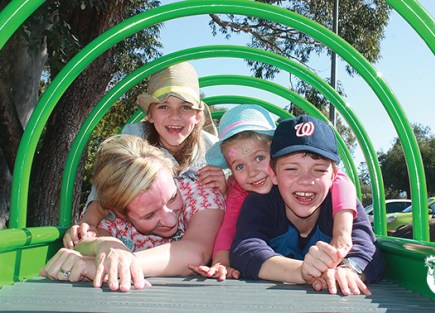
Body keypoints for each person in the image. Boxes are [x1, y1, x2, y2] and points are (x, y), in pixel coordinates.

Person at [63, 62, 227, 249]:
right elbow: (109, 189)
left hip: (199, 236)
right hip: (145, 241)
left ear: (198, 116)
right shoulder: (135, 138)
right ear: (149, 114)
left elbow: (237, 200)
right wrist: (88, 222)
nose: (175, 116)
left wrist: (226, 188)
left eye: (186, 107)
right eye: (164, 107)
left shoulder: (213, 148)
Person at [189, 105, 357, 282]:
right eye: (239, 166)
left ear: (277, 154)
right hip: (273, 265)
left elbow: (341, 180)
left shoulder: (298, 181)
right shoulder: (239, 191)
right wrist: (221, 262)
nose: (252, 172)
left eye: (260, 158)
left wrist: (342, 235)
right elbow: (229, 227)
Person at [41, 134, 225, 292]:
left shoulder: (201, 193)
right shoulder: (112, 219)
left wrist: (113, 263)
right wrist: (103, 244)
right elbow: (86, 243)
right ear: (120, 213)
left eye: (172, 197)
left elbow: (196, 252)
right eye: (149, 215)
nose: (169, 219)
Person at [229, 115, 385, 296]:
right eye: (291, 169)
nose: (305, 181)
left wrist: (348, 269)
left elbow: (368, 250)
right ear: (273, 174)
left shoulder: (341, 205)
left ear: (334, 176)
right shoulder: (261, 202)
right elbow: (245, 249)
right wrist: (301, 271)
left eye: (318, 170)